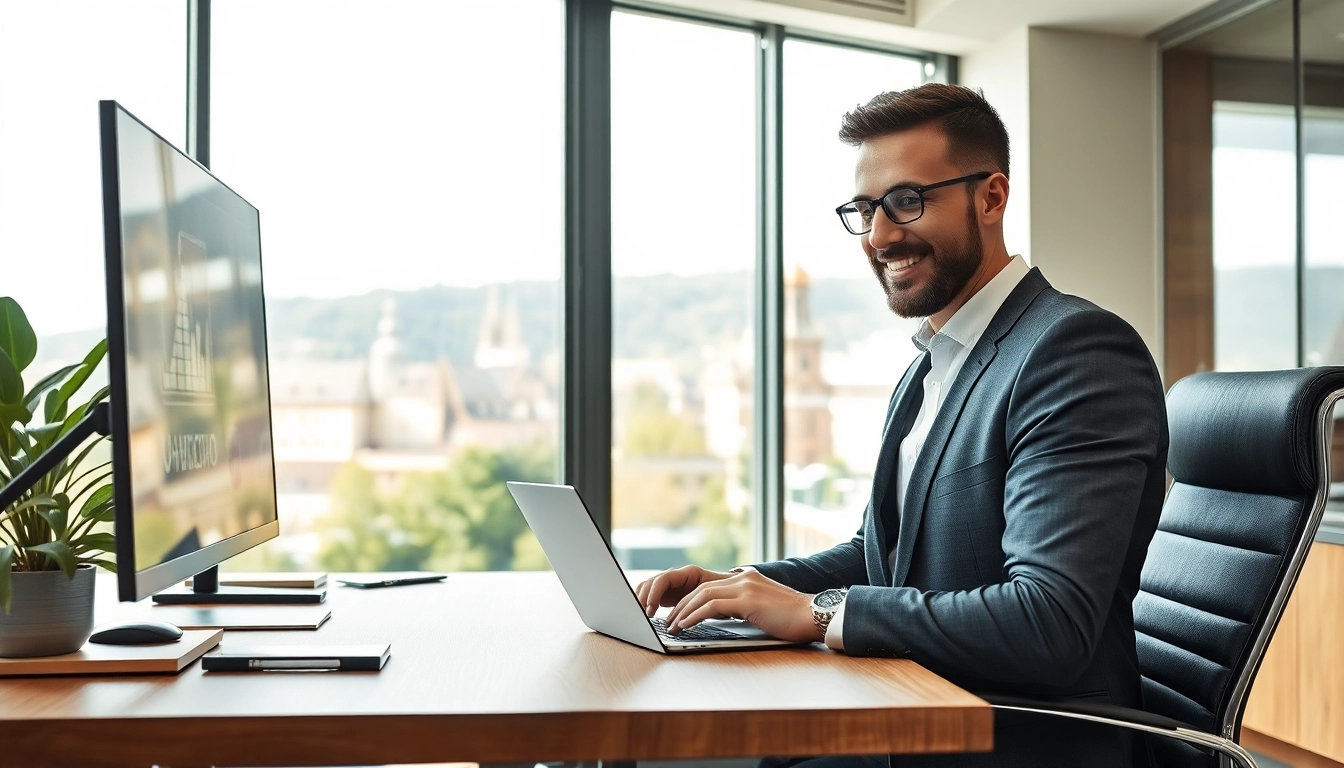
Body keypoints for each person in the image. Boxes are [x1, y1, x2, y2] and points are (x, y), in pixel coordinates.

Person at [635, 84, 1168, 768]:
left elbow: (1048, 622)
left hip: (1014, 743)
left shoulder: (1076, 351)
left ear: (991, 198)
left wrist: (824, 613)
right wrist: (736, 588)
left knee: (684, 757)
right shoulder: (926, 370)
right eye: (865, 210)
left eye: (907, 201)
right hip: (913, 708)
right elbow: (877, 554)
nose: (882, 235)